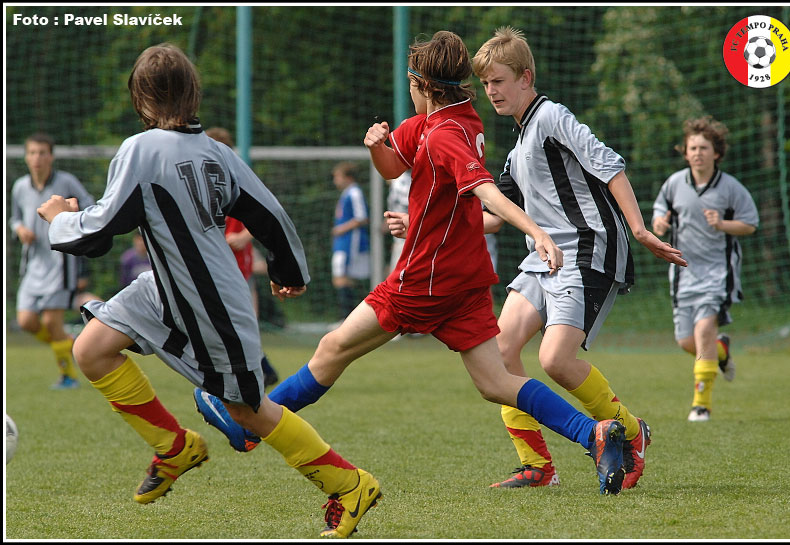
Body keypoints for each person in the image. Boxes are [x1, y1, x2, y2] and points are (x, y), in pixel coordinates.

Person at [195, 30, 629, 496]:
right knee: (496, 382)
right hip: (463, 281)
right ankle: (594, 432)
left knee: (332, 349)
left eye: (410, 82)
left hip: (425, 278)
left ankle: (248, 423)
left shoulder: (444, 134)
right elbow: (393, 166)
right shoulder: (454, 119)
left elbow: (485, 191)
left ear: (422, 84)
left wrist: (537, 232)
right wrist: (376, 146)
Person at [36, 43, 381, 538]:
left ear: (141, 97)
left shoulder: (140, 149)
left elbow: (99, 233)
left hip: (210, 303)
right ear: (192, 93)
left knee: (246, 411)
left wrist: (60, 218)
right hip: (166, 286)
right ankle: (175, 448)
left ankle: (349, 484)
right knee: (91, 348)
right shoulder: (218, 153)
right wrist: (288, 271)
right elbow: (271, 216)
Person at [469, 26, 687, 490]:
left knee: (555, 359)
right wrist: (422, 224)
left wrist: (640, 230)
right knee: (499, 353)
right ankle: (536, 466)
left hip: (586, 249)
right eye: (486, 83)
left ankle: (631, 432)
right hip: (542, 256)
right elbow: (495, 217)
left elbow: (610, 165)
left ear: (526, 77)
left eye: (499, 81)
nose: (491, 91)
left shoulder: (551, 117)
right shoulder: (519, 147)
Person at [652, 116, 758, 422]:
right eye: (693, 148)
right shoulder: (674, 184)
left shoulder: (730, 188)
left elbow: (750, 224)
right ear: (685, 153)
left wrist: (722, 224)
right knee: (687, 341)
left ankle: (701, 404)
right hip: (683, 274)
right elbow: (659, 214)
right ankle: (720, 351)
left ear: (716, 152)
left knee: (703, 331)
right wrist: (660, 224)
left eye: (704, 147)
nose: (698, 153)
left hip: (717, 273)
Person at [9, 132, 95, 390]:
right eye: (32, 153)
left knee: (51, 322)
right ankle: (68, 344)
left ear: (51, 157)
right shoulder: (20, 187)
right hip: (33, 265)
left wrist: (70, 214)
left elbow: (89, 206)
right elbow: (14, 218)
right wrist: (19, 229)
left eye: (42, 153)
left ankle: (68, 376)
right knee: (26, 321)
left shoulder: (66, 182)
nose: (37, 158)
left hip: (61, 264)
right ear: (26, 157)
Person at [206, 126, 279, 390]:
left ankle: (259, 371)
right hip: (217, 261)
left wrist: (244, 236)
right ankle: (260, 371)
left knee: (240, 321)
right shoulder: (203, 179)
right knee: (228, 322)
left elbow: (266, 212)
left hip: (237, 263)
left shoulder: (239, 176)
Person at [330, 161, 371, 321]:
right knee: (341, 278)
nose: (335, 180)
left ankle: (346, 319)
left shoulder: (354, 192)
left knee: (342, 277)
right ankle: (348, 319)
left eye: (338, 177)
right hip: (342, 242)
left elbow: (362, 217)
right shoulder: (347, 192)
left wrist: (341, 229)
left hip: (350, 242)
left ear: (348, 177)